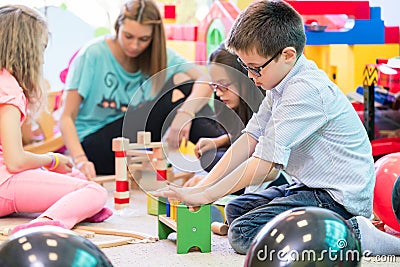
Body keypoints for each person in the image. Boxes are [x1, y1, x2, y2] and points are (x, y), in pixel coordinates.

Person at [154, 0, 400, 256]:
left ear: (287, 55)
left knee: (243, 233)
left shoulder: (305, 89)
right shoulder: (280, 83)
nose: (249, 75)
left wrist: (207, 196)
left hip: (338, 199)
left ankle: (354, 233)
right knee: (236, 209)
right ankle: (325, 226)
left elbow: (265, 164)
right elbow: (250, 138)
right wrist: (203, 188)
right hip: (310, 188)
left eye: (254, 68)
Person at [60, 0, 216, 179]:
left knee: (188, 91)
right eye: (128, 36)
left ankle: (223, 155)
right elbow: (66, 117)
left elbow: (206, 79)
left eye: (143, 39)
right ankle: (227, 158)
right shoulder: (93, 54)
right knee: (177, 94)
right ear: (117, 27)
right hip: (94, 148)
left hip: (136, 143)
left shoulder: (158, 56)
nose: (134, 45)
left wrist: (185, 114)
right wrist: (80, 160)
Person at [0, 5, 112, 235]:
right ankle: (45, 225)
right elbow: (15, 161)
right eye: (41, 50)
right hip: (3, 186)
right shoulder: (8, 89)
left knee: (72, 177)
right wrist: (51, 159)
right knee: (94, 191)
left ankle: (74, 207)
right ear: (26, 51)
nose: (42, 60)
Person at [186, 44, 288, 193]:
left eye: (224, 85)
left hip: (276, 176)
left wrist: (211, 185)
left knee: (224, 165)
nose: (219, 93)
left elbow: (269, 168)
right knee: (210, 156)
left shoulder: (267, 104)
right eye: (215, 85)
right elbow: (248, 135)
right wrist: (219, 141)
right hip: (258, 166)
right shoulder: (241, 109)